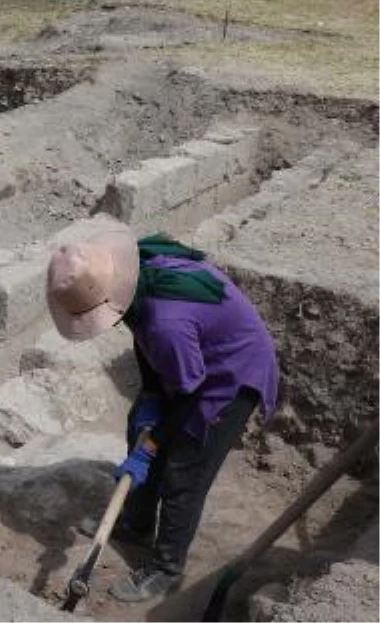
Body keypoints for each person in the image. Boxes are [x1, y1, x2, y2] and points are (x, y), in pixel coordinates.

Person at [46, 225, 279, 602]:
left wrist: (152, 444)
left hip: (230, 376)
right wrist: (152, 396)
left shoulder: (165, 323)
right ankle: (136, 523)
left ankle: (167, 567)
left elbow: (188, 393)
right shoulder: (136, 275)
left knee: (183, 471)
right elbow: (143, 337)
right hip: (195, 359)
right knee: (139, 422)